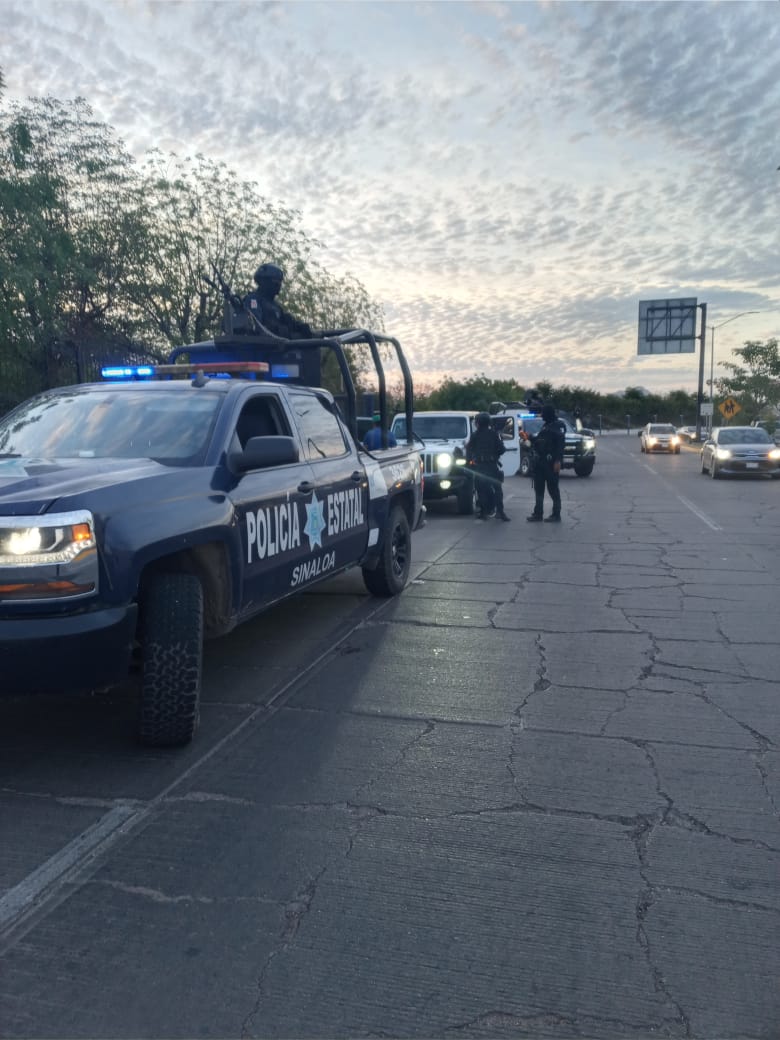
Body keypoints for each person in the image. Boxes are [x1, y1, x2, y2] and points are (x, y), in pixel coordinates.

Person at [241, 263, 313, 339]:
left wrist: (299, 327)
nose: (279, 285)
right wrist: (279, 330)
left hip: (279, 343)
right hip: (264, 344)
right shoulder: (253, 300)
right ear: (263, 281)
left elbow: (286, 321)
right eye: (275, 281)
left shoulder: (275, 306)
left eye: (280, 281)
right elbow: (256, 327)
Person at [523, 403, 565, 522]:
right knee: (539, 489)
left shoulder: (557, 427)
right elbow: (540, 440)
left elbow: (560, 446)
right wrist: (529, 437)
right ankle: (538, 514)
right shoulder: (546, 426)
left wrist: (558, 461)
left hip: (551, 463)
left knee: (553, 490)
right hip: (540, 463)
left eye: (543, 413)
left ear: (548, 414)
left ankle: (556, 514)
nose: (542, 416)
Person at [466, 412, 510, 521]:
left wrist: (470, 463)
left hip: (480, 466)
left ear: (478, 423)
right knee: (497, 489)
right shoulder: (494, 434)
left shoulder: (475, 435)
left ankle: (483, 512)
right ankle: (500, 512)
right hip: (492, 465)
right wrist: (494, 455)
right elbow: (502, 449)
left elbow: (469, 450)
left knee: (481, 490)